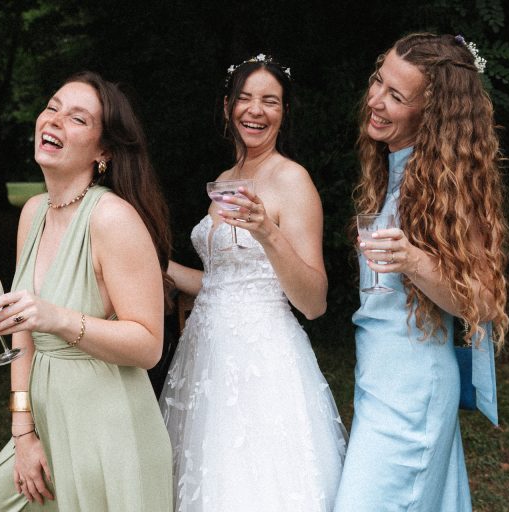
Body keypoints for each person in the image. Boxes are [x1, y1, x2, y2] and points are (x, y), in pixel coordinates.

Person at [0, 71, 173, 511]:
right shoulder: (33, 212)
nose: (55, 120)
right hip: (44, 422)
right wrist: (23, 432)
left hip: (108, 430)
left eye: (78, 118)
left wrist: (57, 318)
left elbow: (149, 345)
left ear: (103, 152)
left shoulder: (112, 219)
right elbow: (22, 331)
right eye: (52, 107)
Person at [158, 54, 347, 511]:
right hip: (203, 359)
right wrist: (158, 265)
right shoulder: (224, 180)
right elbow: (221, 283)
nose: (255, 110)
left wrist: (267, 232)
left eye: (270, 101)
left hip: (262, 363)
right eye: (244, 98)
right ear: (227, 107)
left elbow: (314, 302)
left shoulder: (292, 180)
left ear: (284, 111)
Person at [333, 33, 509, 511]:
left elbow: (483, 300)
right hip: (378, 381)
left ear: (430, 114)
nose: (376, 100)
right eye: (378, 81)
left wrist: (412, 259)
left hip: (413, 390)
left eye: (396, 95)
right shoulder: (392, 171)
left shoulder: (449, 185)